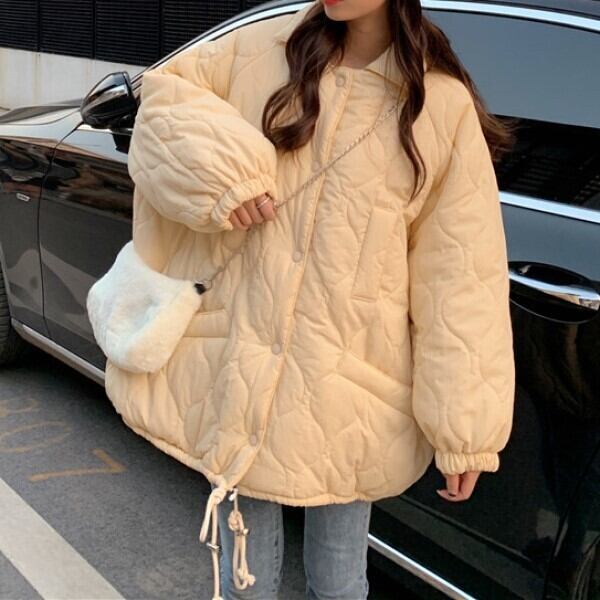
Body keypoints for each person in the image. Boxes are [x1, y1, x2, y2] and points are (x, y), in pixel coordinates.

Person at [106, 0, 517, 598]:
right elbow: (165, 100)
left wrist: (466, 429)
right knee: (243, 573)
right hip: (245, 357)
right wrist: (223, 177)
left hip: (352, 381)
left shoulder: (440, 105)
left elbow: (460, 277)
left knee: (339, 579)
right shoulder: (263, 51)